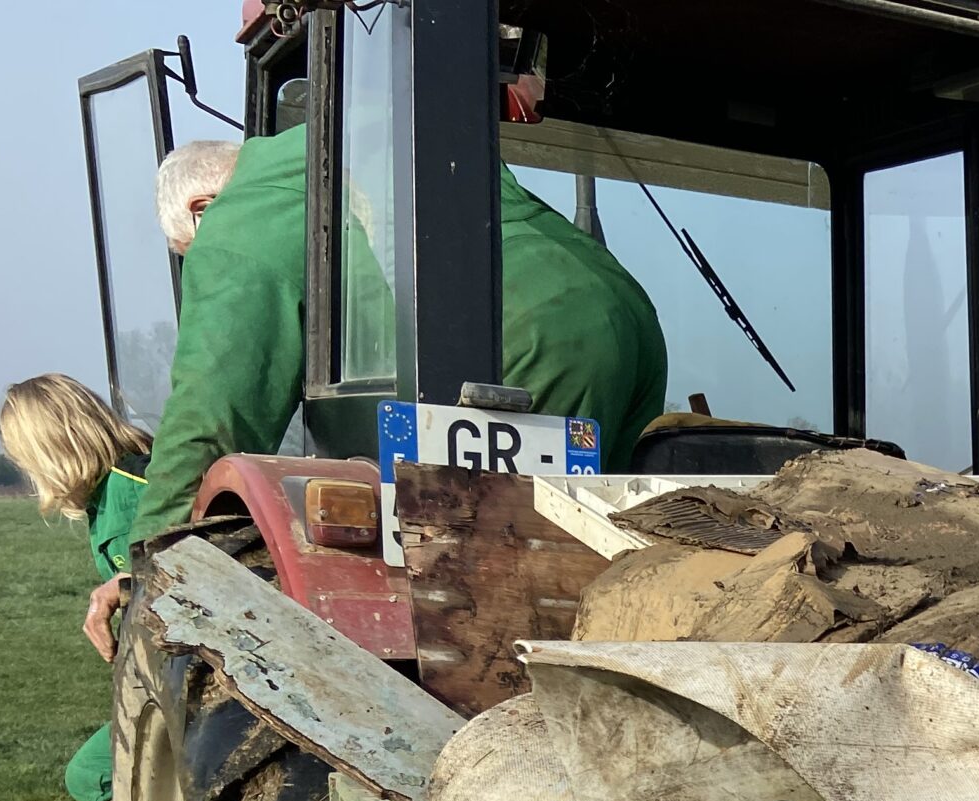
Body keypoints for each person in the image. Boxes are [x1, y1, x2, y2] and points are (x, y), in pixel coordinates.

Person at [92, 128, 668, 647]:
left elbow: (212, 412)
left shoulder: (240, 218)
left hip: (509, 342)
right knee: (592, 568)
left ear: (201, 209)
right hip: (623, 315)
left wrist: (147, 559)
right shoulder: (357, 138)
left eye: (190, 251)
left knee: (491, 625)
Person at [0, 374, 152, 801]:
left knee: (92, 775)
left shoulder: (133, 488)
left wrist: (121, 586)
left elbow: (188, 564)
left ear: (50, 447)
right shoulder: (112, 488)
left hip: (183, 682)